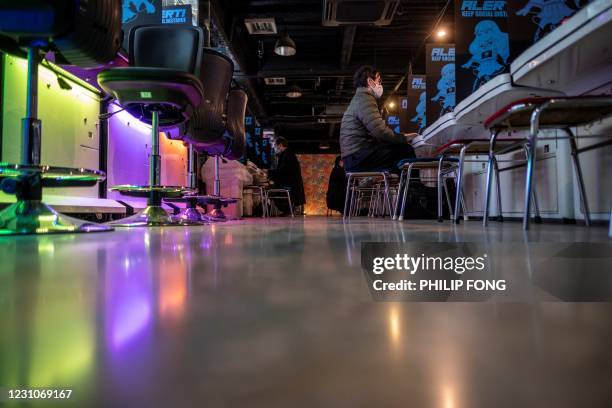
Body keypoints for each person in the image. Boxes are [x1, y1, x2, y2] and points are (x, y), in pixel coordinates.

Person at [340, 65, 418, 174]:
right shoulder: (365, 99)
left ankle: (395, 187)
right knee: (406, 150)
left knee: (395, 153)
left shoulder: (359, 98)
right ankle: (413, 190)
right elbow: (379, 131)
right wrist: (403, 138)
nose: (380, 85)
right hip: (358, 157)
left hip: (354, 157)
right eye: (379, 81)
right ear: (370, 82)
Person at [267, 137, 306, 214]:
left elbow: (283, 171)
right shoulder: (288, 154)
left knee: (270, 191)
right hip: (292, 185)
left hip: (289, 186)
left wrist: (269, 172)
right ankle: (287, 210)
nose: (275, 148)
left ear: (280, 145)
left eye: (275, 146)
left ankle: (285, 210)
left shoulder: (287, 155)